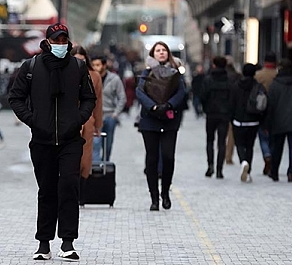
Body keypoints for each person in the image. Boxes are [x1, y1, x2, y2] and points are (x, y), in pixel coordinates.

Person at [8, 23, 96, 262]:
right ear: (47, 42)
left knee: (69, 186)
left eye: (63, 40)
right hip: (42, 140)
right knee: (46, 191)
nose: (60, 45)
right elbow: (15, 97)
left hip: (70, 140)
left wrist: (77, 119)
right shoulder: (31, 67)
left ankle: (68, 243)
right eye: (56, 41)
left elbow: (90, 98)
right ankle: (43, 243)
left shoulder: (77, 67)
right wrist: (32, 120)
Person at [135, 41, 188, 211]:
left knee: (168, 157)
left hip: (169, 120)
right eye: (158, 50)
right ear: (153, 54)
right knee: (152, 159)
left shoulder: (176, 72)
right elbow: (140, 92)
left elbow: (182, 92)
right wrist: (153, 107)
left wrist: (169, 105)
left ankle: (165, 192)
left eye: (164, 50)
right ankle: (154, 197)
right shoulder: (147, 72)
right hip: (150, 120)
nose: (161, 53)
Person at [71, 46, 103, 206]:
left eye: (82, 59)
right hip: (68, 121)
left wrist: (98, 124)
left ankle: (82, 193)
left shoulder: (94, 76)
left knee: (85, 159)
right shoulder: (64, 74)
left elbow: (97, 102)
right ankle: (71, 193)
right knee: (70, 159)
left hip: (87, 121)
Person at [265, 59, 292, 182]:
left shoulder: (275, 84)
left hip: (278, 120)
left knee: (277, 148)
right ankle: (291, 172)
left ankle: (275, 172)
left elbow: (270, 104)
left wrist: (268, 122)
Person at [229, 64, 264, 183]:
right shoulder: (258, 86)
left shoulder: (235, 86)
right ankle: (248, 171)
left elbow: (231, 104)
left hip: (238, 121)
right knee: (250, 146)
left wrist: (231, 118)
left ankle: (243, 161)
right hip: (253, 121)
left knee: (239, 144)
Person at [201, 56, 232, 179]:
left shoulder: (208, 79)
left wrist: (206, 108)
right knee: (221, 142)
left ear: (214, 65)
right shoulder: (229, 80)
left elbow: (203, 96)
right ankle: (220, 169)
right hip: (224, 115)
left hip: (211, 113)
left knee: (209, 141)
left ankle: (210, 165)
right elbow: (232, 97)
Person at [90, 56, 126, 162]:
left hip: (109, 115)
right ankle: (97, 168)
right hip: (95, 116)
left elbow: (122, 97)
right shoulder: (90, 78)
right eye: (93, 65)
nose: (95, 68)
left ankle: (105, 164)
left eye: (98, 65)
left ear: (104, 65)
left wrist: (116, 113)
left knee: (108, 144)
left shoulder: (114, 79)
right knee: (96, 143)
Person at [254, 52, 278, 175]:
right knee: (274, 138)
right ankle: (272, 157)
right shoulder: (278, 75)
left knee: (263, 136)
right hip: (277, 110)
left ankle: (267, 155)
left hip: (262, 110)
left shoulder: (258, 75)